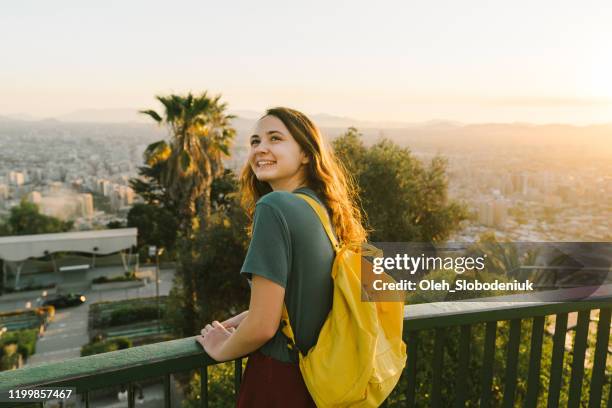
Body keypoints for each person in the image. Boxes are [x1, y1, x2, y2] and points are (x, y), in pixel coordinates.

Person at [195, 107, 367, 407]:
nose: (261, 148)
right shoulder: (324, 211)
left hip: (279, 379)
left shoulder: (274, 207)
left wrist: (220, 347)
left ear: (305, 153)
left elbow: (264, 325)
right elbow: (291, 304)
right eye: (254, 141)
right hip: (319, 378)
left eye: (275, 139)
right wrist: (230, 325)